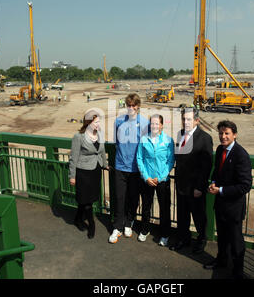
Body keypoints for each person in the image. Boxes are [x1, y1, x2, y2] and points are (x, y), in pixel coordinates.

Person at [204, 120, 252, 279]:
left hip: (234, 207)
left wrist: (222, 190)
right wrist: (213, 183)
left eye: (227, 133)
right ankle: (221, 261)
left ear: (235, 135)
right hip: (220, 204)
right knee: (222, 237)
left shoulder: (241, 155)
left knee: (236, 241)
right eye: (221, 133)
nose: (223, 136)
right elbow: (216, 172)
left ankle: (238, 272)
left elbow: (245, 185)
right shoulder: (220, 150)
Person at [170, 107, 213, 254]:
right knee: (182, 215)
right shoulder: (180, 134)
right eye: (183, 119)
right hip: (181, 184)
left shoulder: (205, 138)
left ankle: (202, 240)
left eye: (189, 119)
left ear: (196, 120)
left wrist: (200, 187)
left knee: (199, 216)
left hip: (195, 187)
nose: (185, 122)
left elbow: (206, 165)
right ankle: (184, 238)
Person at [109, 93, 149, 244]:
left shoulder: (145, 123)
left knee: (133, 198)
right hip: (120, 166)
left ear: (138, 106)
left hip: (136, 169)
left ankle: (129, 222)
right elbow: (116, 142)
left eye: (134, 105)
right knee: (119, 198)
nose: (131, 108)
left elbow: (145, 146)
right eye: (129, 105)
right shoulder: (118, 121)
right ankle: (117, 226)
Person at [69, 110, 108, 239]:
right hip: (83, 172)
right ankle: (91, 224)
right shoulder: (78, 137)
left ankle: (77, 219)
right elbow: (73, 157)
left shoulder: (100, 134)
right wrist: (72, 176)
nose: (98, 124)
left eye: (98, 122)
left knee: (87, 199)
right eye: (96, 122)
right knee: (87, 201)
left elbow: (102, 151)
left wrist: (105, 164)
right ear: (88, 123)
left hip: (95, 170)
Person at [136, 114, 175, 246]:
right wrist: (146, 177)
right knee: (146, 206)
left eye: (157, 123)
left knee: (164, 208)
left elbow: (170, 161)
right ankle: (145, 230)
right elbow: (139, 158)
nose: (154, 126)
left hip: (162, 181)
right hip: (147, 180)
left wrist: (161, 177)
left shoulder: (168, 141)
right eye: (152, 123)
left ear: (162, 125)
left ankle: (165, 234)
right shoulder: (144, 139)